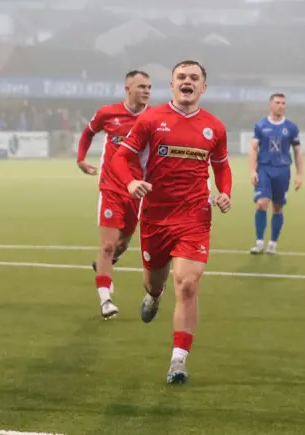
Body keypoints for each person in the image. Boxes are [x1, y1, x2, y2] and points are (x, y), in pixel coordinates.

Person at [110, 60, 232, 384]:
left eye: (194, 78)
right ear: (172, 84)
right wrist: (130, 183)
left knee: (188, 284)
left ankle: (178, 360)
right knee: (155, 282)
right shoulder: (152, 120)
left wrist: (225, 192)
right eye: (182, 77)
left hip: (194, 216)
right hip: (155, 217)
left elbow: (221, 166)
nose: (187, 81)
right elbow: (121, 157)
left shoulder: (214, 127)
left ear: (203, 87)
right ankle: (154, 294)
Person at [76, 70, 151, 320]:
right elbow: (88, 132)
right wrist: (81, 159)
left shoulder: (153, 118)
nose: (146, 91)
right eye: (141, 86)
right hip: (111, 186)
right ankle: (105, 299)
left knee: (122, 244)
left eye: (149, 87)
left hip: (138, 190)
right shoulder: (108, 113)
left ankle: (103, 265)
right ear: (127, 89)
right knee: (107, 245)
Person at [249, 93, 303, 255]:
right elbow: (253, 149)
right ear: (270, 105)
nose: (281, 105)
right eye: (278, 102)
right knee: (262, 203)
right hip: (264, 168)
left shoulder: (291, 127)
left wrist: (299, 174)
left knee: (278, 207)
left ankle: (272, 243)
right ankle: (259, 242)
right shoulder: (260, 125)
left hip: (283, 170)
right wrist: (253, 170)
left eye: (283, 103)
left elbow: (298, 151)